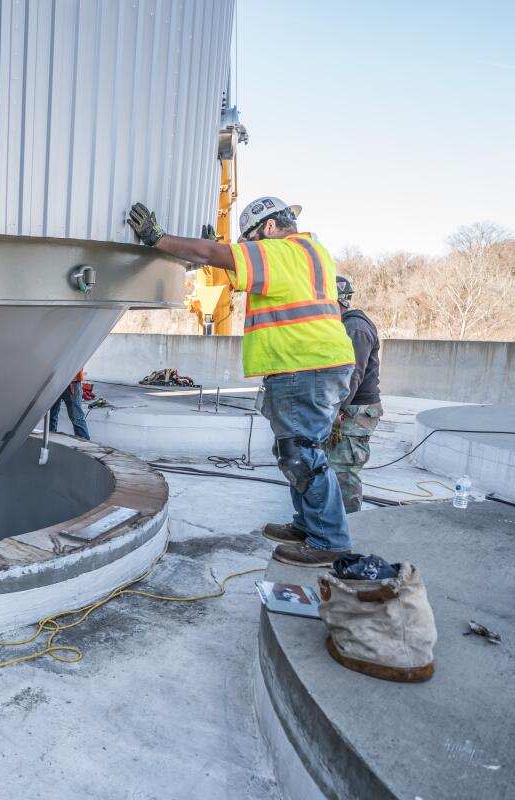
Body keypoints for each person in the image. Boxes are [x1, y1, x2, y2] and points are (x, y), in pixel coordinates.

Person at [128, 197, 355, 567]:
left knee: (302, 454)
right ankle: (308, 525)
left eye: (248, 239)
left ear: (267, 228)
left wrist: (160, 239)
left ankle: (329, 540)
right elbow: (234, 273)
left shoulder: (281, 250)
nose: (246, 248)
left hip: (304, 365)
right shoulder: (309, 253)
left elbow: (222, 256)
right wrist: (213, 258)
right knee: (295, 452)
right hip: (314, 364)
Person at [326, 275, 382, 513]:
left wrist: (337, 409)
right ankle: (332, 522)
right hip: (348, 407)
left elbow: (353, 374)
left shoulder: (356, 328)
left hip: (355, 411)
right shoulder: (344, 326)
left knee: (344, 471)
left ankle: (347, 527)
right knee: (333, 467)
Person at [50, 367, 90, 440]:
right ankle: (49, 441)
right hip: (54, 381)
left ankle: (84, 445)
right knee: (51, 416)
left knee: (76, 418)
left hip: (72, 382)